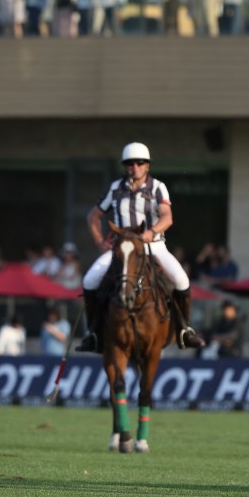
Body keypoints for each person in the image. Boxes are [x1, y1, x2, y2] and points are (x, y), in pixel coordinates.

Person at [76, 142, 203, 352]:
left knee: (182, 280)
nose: (135, 167)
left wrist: (151, 233)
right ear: (125, 166)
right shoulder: (115, 188)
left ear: (147, 165)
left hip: (153, 246)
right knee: (90, 280)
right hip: (122, 248)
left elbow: (167, 217)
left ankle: (184, 330)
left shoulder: (157, 187)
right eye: (130, 163)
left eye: (140, 163)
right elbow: (94, 215)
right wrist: (99, 240)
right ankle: (94, 333)